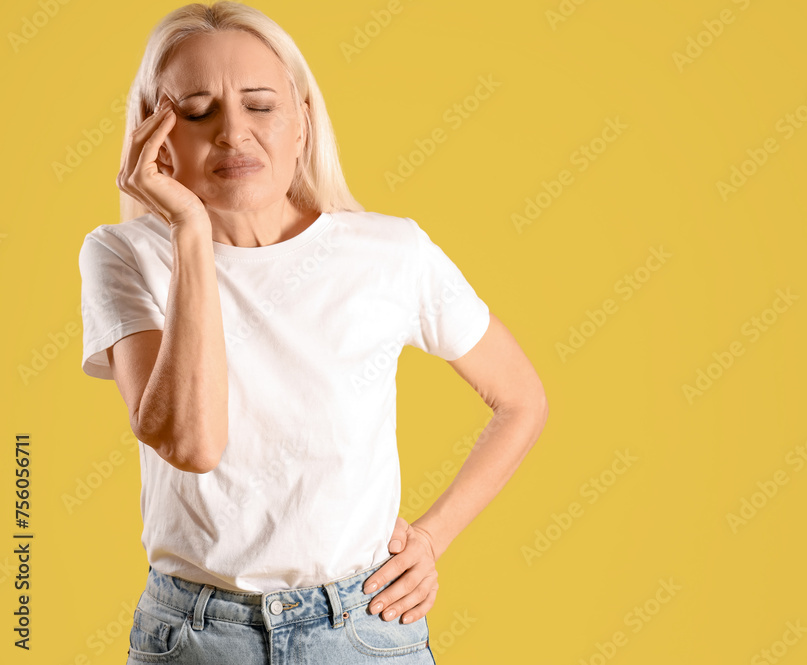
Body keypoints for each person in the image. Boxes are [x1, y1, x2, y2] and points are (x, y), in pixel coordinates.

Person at [77, 2, 548, 663]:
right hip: (196, 637)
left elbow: (522, 399)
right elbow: (192, 443)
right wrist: (190, 232)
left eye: (260, 105)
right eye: (198, 112)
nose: (233, 132)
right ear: (155, 139)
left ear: (301, 121)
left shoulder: (390, 252)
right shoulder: (123, 255)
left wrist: (431, 538)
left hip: (363, 629)